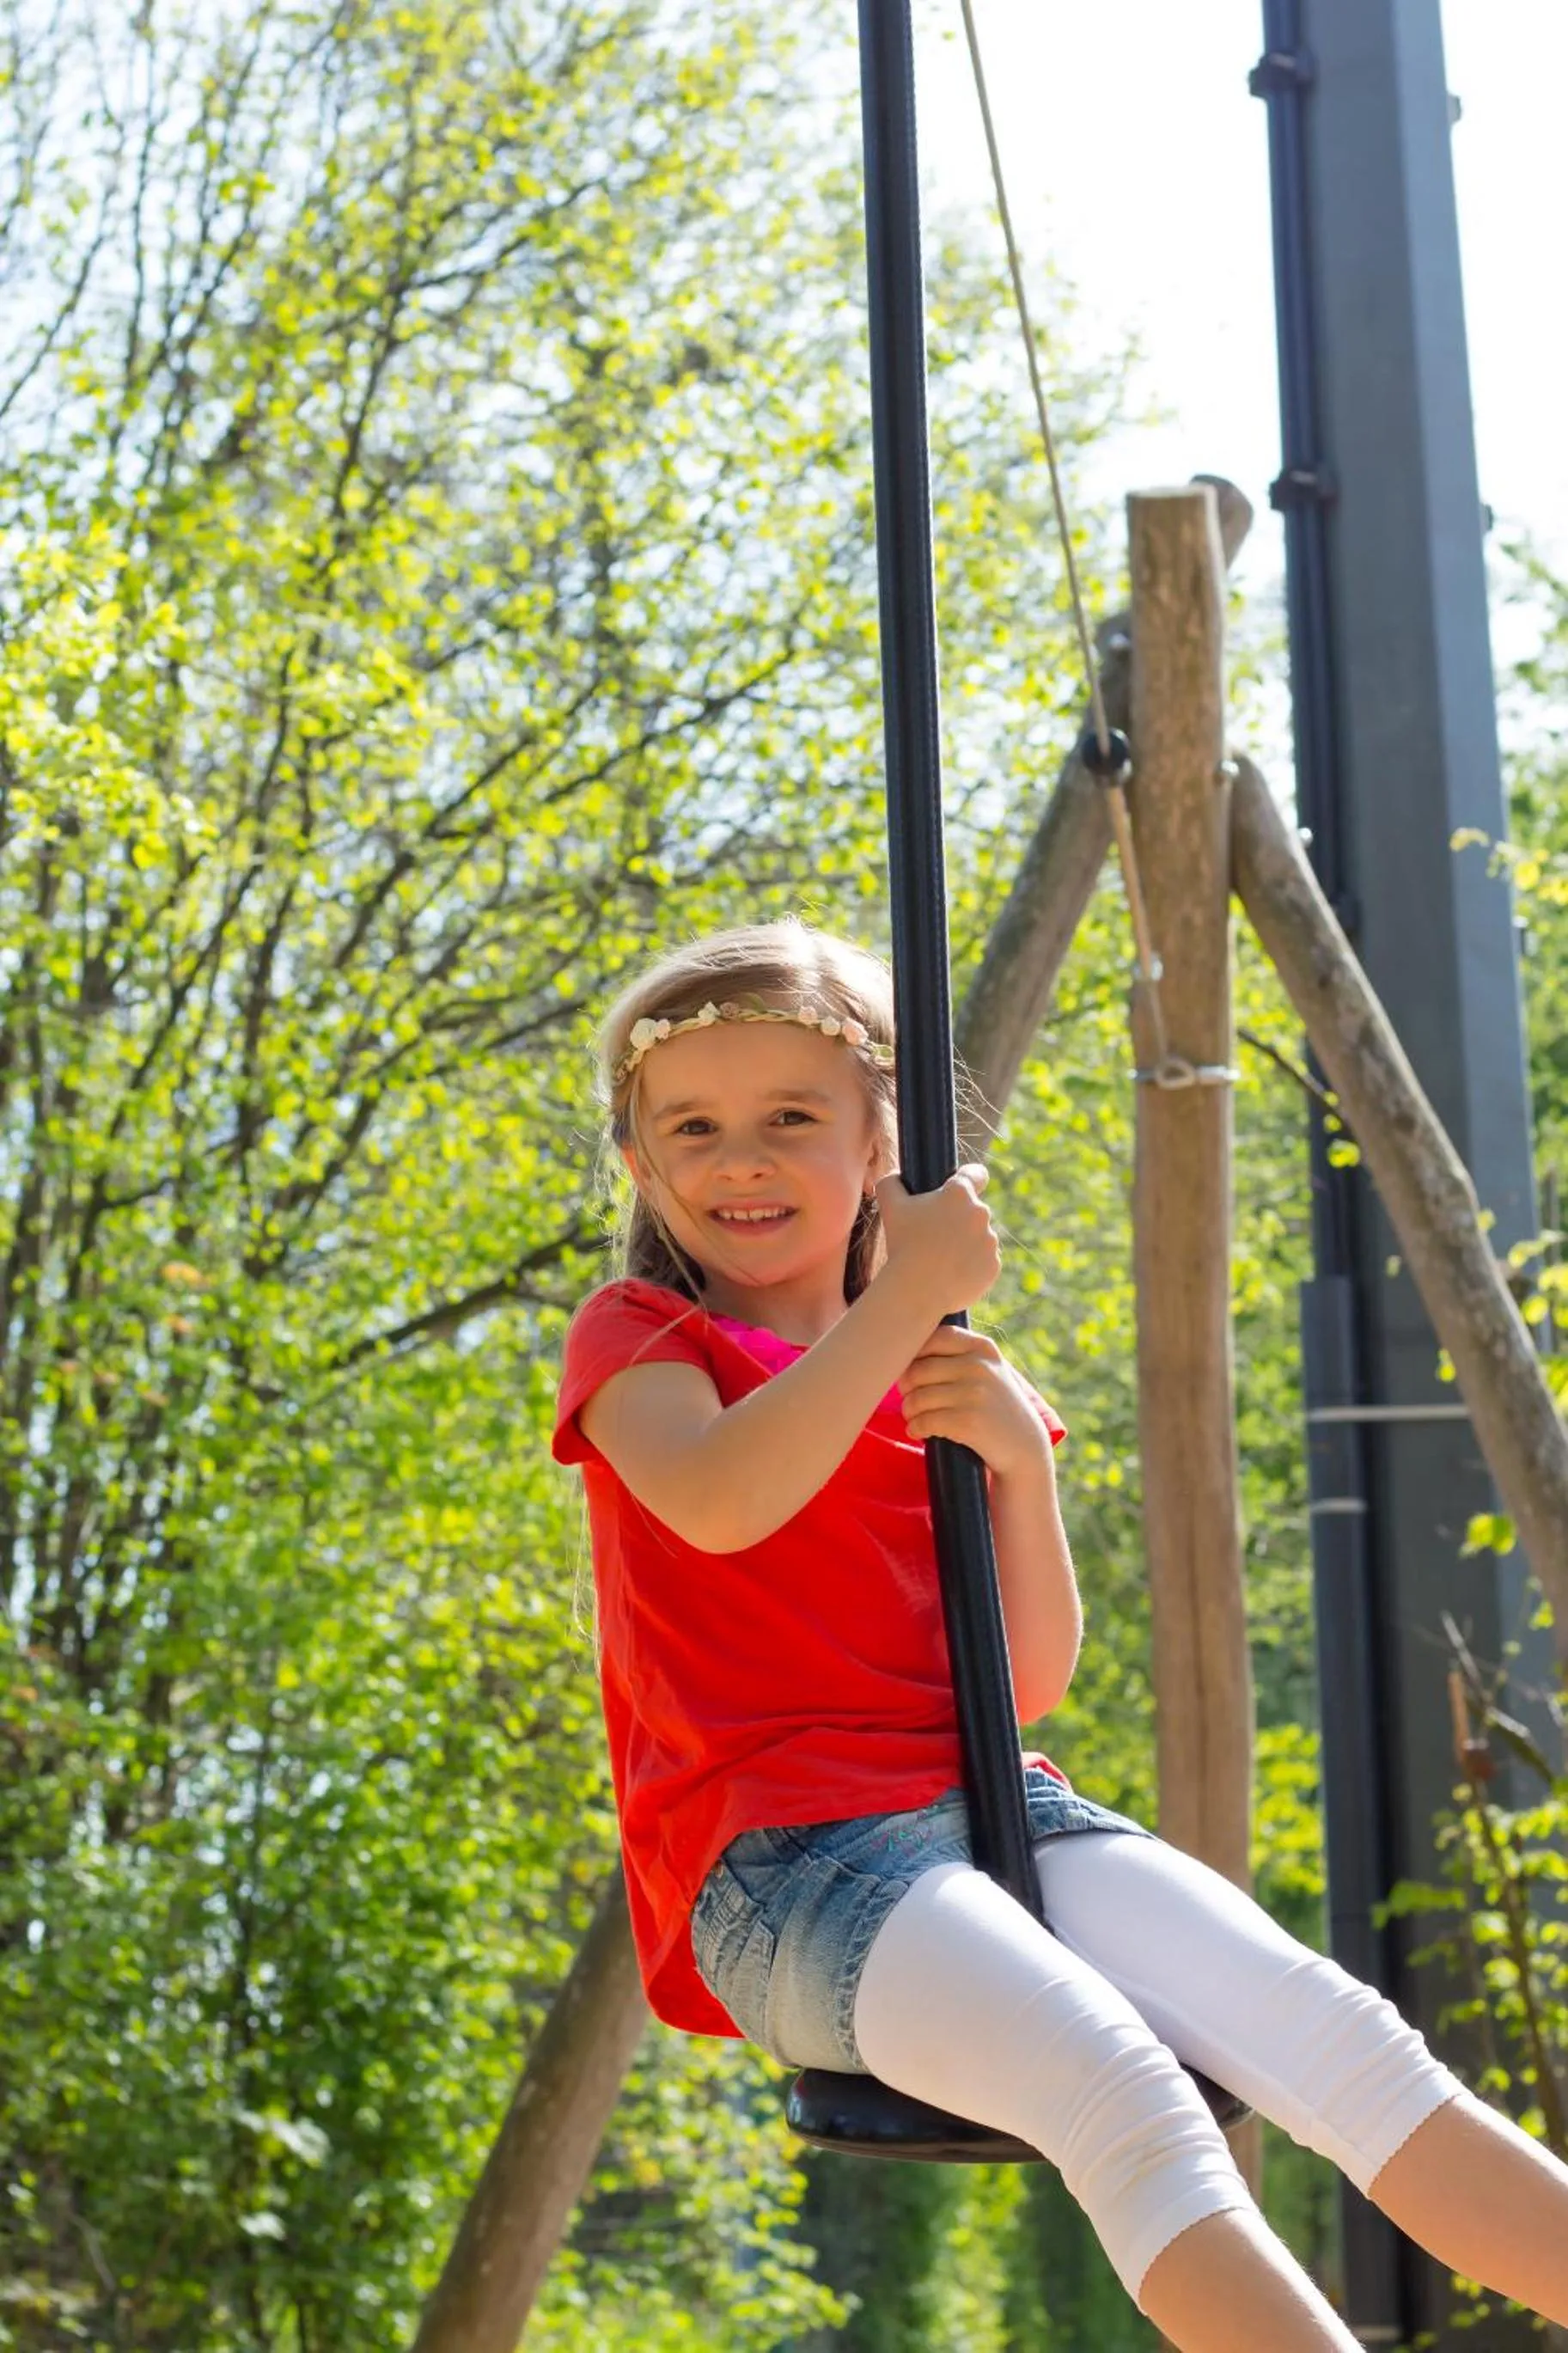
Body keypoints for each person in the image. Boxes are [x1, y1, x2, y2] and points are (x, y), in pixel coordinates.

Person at [552, 915, 1568, 2352]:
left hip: (997, 1812)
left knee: (1334, 2032)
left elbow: (1017, 1678)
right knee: (1117, 2084)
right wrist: (903, 1292)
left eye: (792, 1117)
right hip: (786, 1866)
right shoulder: (645, 1341)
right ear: (645, 1164)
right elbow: (723, 1500)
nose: (743, 1160)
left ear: (882, 1143)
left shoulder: (947, 1369)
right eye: (695, 1128)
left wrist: (1022, 1465)